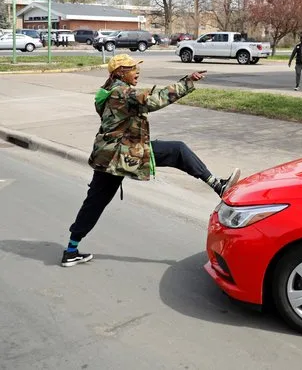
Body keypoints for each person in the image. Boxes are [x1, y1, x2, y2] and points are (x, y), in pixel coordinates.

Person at [61, 54, 241, 267]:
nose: (137, 72)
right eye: (132, 69)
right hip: (118, 156)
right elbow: (154, 100)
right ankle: (71, 250)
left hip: (117, 153)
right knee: (97, 202)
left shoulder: (111, 89)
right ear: (120, 72)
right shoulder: (121, 92)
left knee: (175, 151)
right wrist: (187, 82)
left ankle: (71, 250)